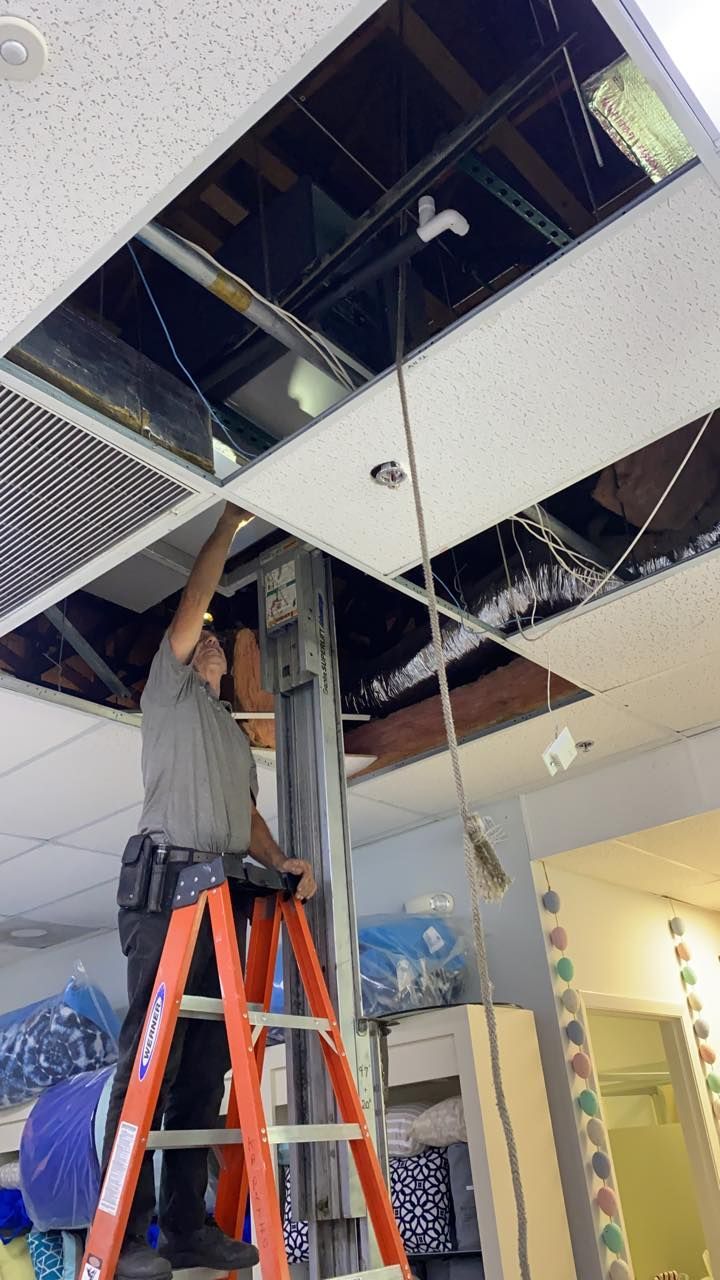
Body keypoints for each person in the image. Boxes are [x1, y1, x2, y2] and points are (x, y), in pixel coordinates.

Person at [103, 502, 316, 1280]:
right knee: (149, 1062)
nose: (217, 646)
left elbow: (247, 817)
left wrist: (286, 859)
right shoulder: (167, 691)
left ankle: (186, 1232)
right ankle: (123, 1232)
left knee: (201, 1071)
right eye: (210, 642)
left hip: (217, 897)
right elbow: (195, 606)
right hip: (166, 893)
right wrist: (229, 524)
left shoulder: (230, 735)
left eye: (224, 644)